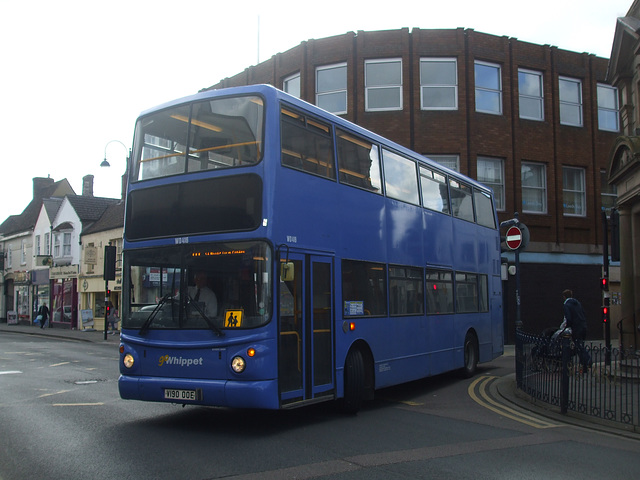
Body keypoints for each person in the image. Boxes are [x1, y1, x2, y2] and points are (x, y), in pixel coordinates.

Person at [562, 289, 592, 371]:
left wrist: (566, 327)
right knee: (580, 345)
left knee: (578, 345)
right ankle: (584, 366)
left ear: (564, 297)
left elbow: (569, 318)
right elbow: (583, 313)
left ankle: (588, 359)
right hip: (583, 326)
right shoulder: (578, 303)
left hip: (576, 327)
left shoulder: (566, 305)